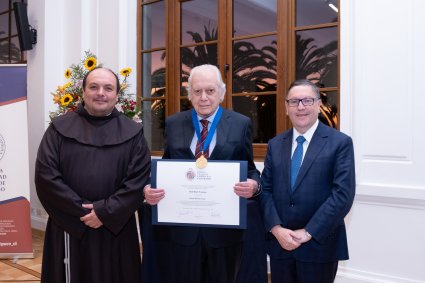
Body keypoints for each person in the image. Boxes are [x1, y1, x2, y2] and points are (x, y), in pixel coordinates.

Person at [142, 64, 261, 283]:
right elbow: (167, 166)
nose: (204, 97)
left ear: (221, 93)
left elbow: (251, 169)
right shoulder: (174, 123)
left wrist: (254, 186)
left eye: (210, 90)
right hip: (182, 230)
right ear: (190, 95)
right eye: (197, 91)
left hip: (223, 232)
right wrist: (150, 188)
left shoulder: (240, 124)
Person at [35, 67, 151, 283]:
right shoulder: (58, 129)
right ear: (83, 91)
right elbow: (46, 177)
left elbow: (137, 181)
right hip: (68, 225)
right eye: (94, 87)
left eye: (108, 88)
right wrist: (82, 211)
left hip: (116, 227)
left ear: (117, 95)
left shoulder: (133, 133)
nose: (101, 93)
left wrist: (105, 212)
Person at [259, 79, 355, 283]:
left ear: (319, 105)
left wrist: (308, 232)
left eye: (307, 100)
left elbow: (342, 195)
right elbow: (265, 190)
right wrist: (276, 229)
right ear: (286, 108)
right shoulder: (275, 144)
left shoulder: (340, 143)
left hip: (319, 245)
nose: (300, 107)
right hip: (280, 244)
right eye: (294, 102)